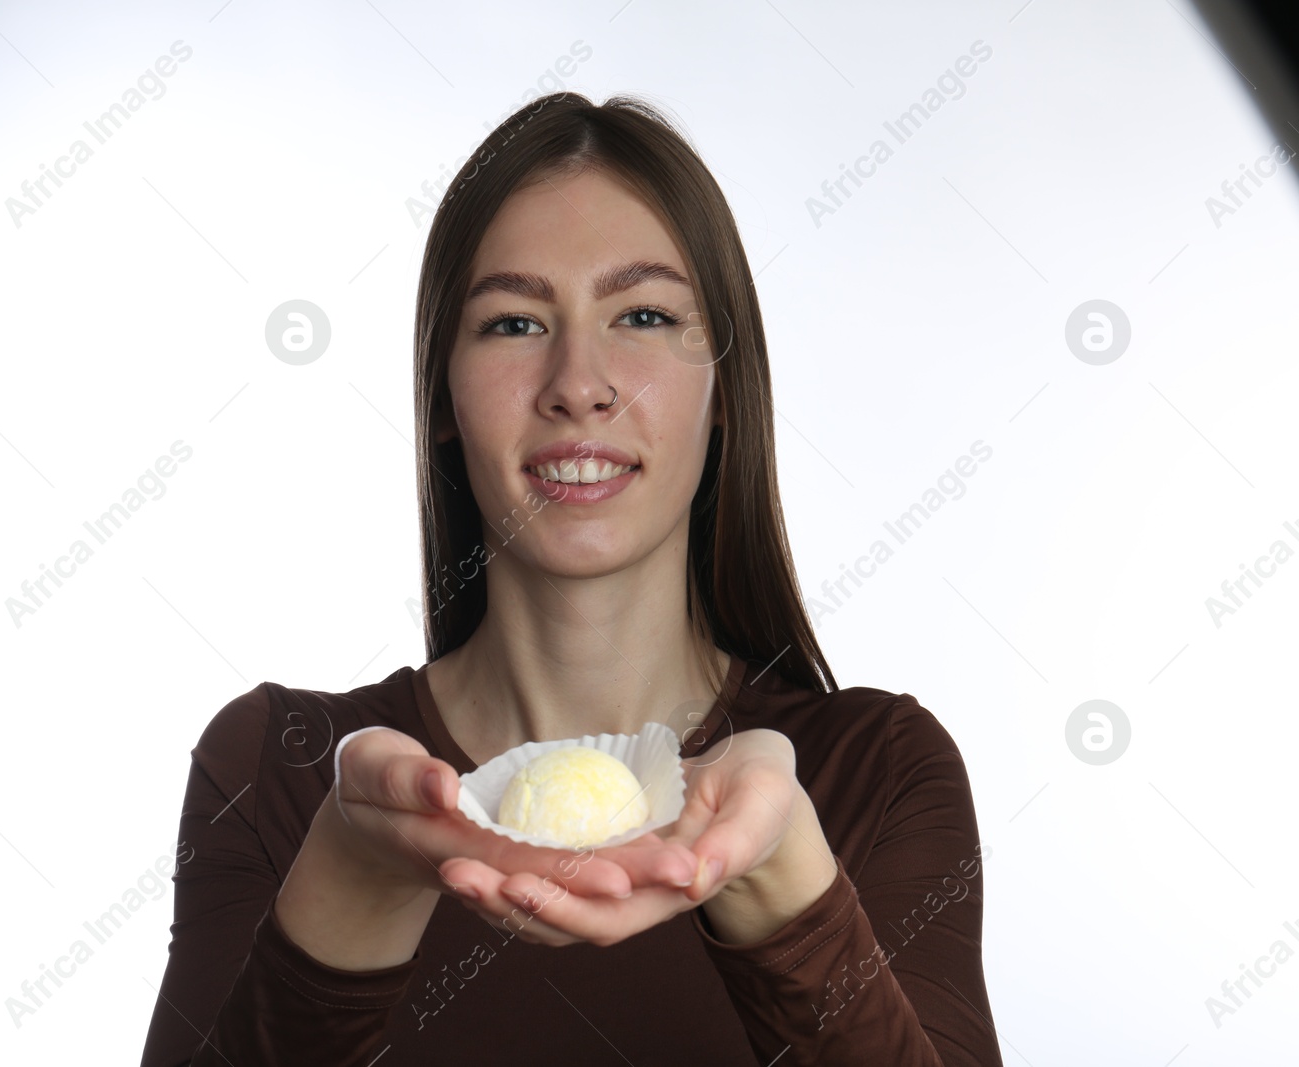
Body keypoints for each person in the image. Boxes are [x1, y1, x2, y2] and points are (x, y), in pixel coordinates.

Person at [139, 92, 1003, 1066]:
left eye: (641, 313)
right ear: (441, 398)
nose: (577, 381)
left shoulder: (874, 772)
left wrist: (780, 878)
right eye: (513, 323)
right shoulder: (278, 770)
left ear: (723, 387)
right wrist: (352, 872)